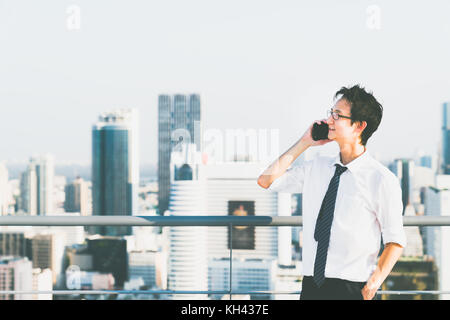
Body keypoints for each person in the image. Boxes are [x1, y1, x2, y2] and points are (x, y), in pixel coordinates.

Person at [257, 84, 406, 300]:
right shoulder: (317, 167)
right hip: (311, 286)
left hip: (352, 288)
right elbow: (266, 181)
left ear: (359, 126)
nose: (329, 120)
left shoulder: (381, 179)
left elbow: (395, 240)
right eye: (331, 113)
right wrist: (305, 142)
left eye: (338, 115)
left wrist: (372, 284)